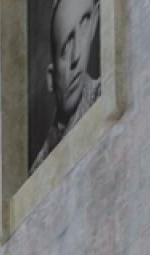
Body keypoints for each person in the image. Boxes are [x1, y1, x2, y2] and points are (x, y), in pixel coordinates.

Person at [31, 0, 101, 170]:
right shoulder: (41, 165)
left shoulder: (101, 95)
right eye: (66, 47)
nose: (76, 55)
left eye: (84, 25)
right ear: (51, 78)